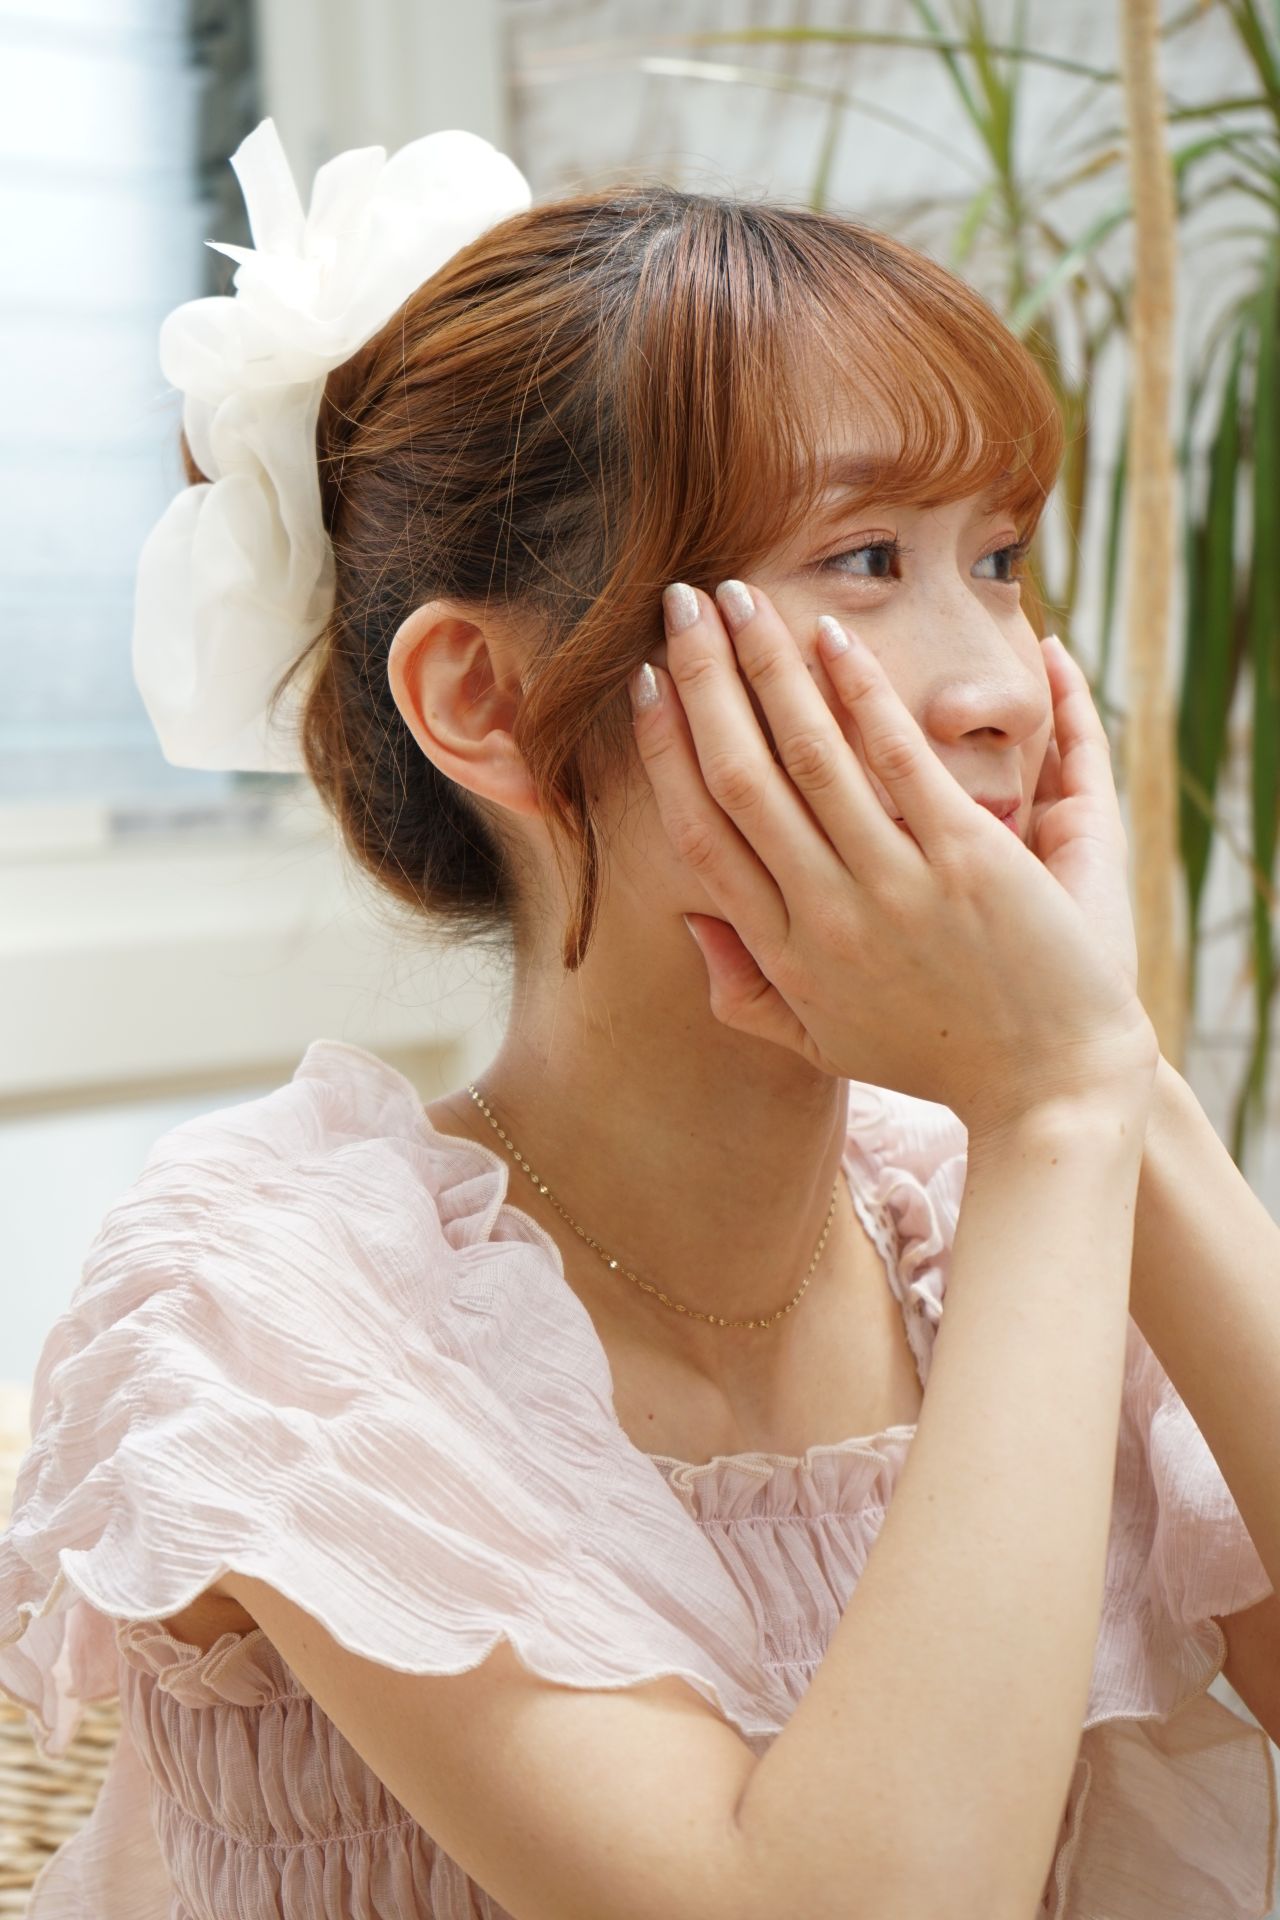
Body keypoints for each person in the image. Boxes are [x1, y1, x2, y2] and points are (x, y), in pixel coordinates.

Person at [0, 119, 1274, 1920]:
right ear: (490, 701)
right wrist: (1062, 1105)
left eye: (997, 559)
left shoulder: (971, 1201)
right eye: (865, 558)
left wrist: (1108, 1081)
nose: (1002, 687)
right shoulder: (274, 1301)